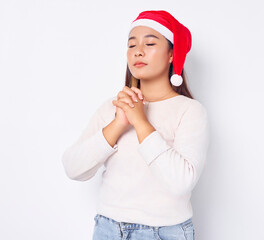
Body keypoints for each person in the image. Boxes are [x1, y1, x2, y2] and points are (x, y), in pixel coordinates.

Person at [61, 10, 210, 240]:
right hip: (107, 230)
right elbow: (73, 168)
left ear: (172, 54)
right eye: (131, 45)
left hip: (164, 233)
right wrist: (118, 124)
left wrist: (140, 121)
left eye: (150, 43)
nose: (138, 51)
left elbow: (181, 182)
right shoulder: (112, 107)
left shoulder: (189, 111)